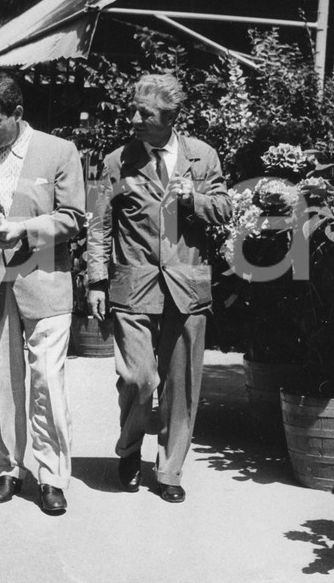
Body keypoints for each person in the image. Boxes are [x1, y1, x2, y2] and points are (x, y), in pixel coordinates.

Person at [86, 73, 231, 504]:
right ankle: (129, 449)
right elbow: (99, 224)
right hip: (133, 284)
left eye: (144, 114)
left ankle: (169, 469)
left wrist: (194, 200)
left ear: (171, 118)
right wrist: (96, 281)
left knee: (181, 386)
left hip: (187, 284)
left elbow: (225, 209)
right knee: (138, 378)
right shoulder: (116, 162)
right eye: (133, 110)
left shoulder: (202, 157)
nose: (133, 119)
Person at [0, 72, 86, 514]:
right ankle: (8, 469)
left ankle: (52, 476)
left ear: (18, 113)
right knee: (0, 382)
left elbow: (74, 218)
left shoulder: (59, 151)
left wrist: (25, 229)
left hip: (45, 281)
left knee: (47, 381)